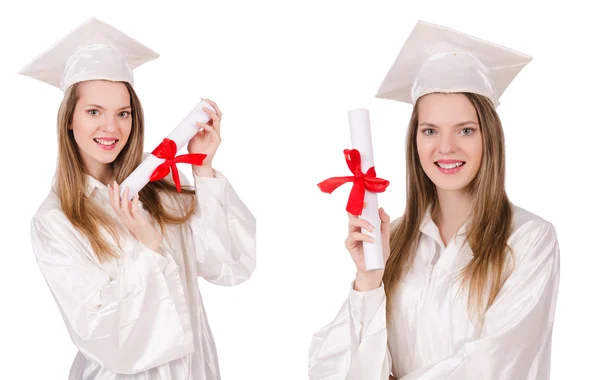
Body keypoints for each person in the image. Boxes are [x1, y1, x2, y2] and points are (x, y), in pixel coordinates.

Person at [308, 20, 560, 380]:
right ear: (415, 141)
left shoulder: (528, 239)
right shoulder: (394, 240)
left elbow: (498, 364)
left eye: (466, 130)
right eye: (430, 131)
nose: (446, 148)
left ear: (489, 137)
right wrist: (369, 280)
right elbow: (338, 370)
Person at [21, 18, 256, 380]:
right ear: (69, 119)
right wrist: (148, 247)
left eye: (123, 113)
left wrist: (204, 171)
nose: (111, 128)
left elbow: (229, 266)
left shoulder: (159, 187)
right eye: (94, 111)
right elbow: (103, 336)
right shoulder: (56, 220)